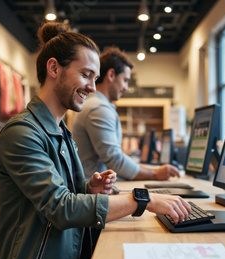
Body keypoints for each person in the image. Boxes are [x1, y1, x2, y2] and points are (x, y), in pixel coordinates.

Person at [0, 22, 191, 259]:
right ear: (53, 68)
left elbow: (56, 197)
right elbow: (59, 207)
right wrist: (142, 199)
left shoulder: (60, 130)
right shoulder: (22, 133)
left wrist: (88, 190)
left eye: (95, 78)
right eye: (86, 75)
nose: (93, 88)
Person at [71, 46, 180, 181]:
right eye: (125, 80)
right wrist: (155, 174)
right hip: (93, 191)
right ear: (111, 75)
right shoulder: (99, 109)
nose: (126, 88)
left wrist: (154, 170)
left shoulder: (96, 105)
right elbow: (115, 161)